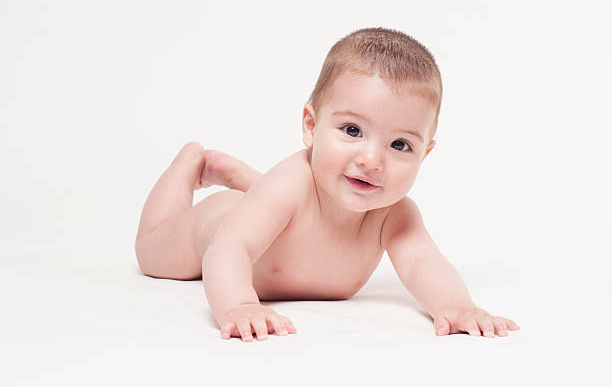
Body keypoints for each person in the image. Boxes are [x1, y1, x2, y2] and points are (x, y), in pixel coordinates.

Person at [135, 27, 520, 342]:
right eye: (352, 130)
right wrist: (238, 306)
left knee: (272, 205)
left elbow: (423, 262)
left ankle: (242, 179)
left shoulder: (394, 214)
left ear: (424, 155)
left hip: (273, 213)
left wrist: (455, 305)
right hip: (217, 227)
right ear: (310, 126)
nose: (372, 160)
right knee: (152, 254)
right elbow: (228, 247)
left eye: (400, 144)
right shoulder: (291, 183)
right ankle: (189, 162)